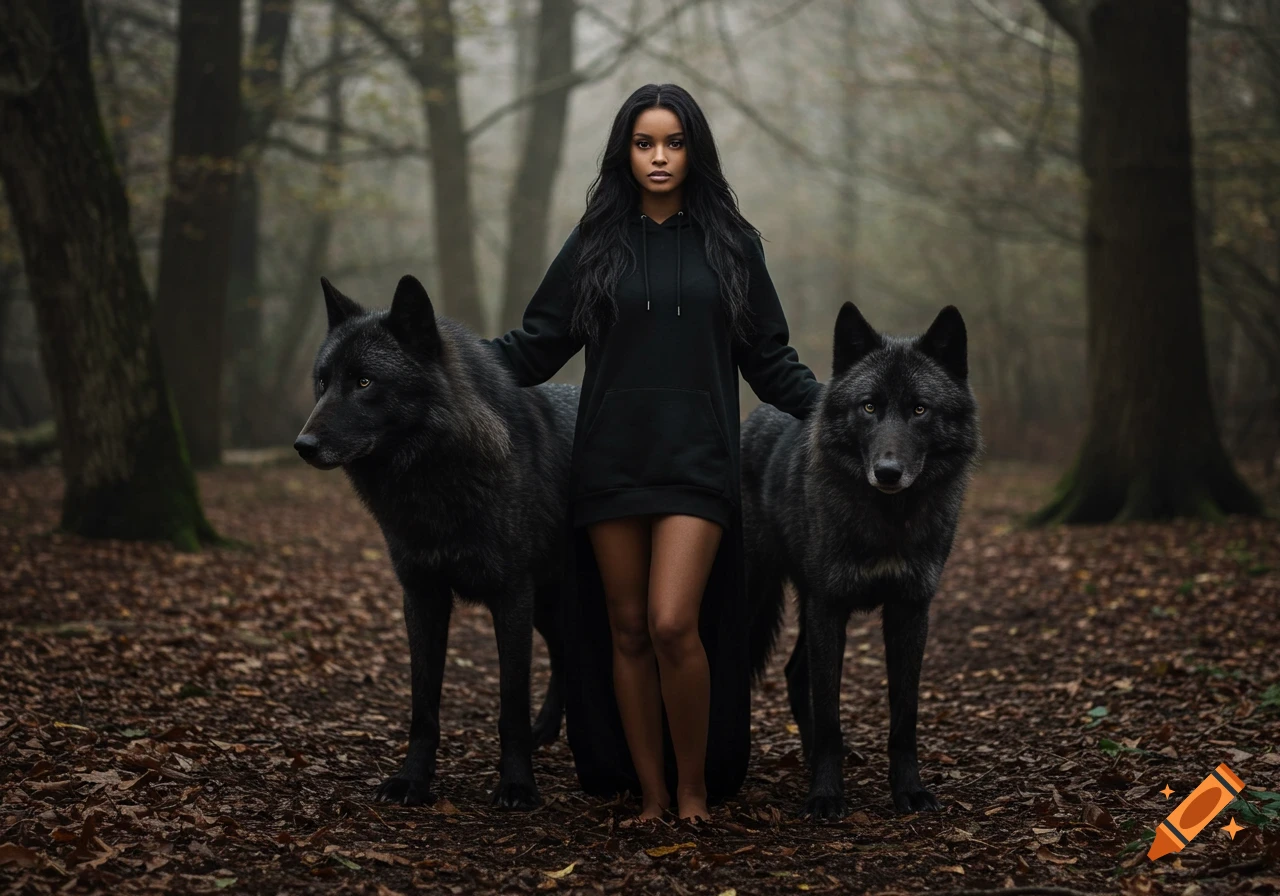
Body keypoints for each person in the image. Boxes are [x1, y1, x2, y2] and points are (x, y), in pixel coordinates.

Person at [483, 83, 822, 822]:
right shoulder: (595, 242)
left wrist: (835, 406)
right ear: (625, 152)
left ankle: (696, 791)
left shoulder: (733, 244)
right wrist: (453, 362)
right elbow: (535, 345)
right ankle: (653, 794)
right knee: (628, 630)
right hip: (609, 462)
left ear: (693, 150)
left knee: (674, 623)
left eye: (673, 142)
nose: (660, 157)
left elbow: (770, 359)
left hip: (699, 461)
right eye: (645, 144)